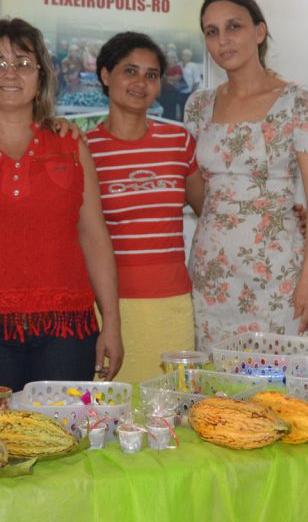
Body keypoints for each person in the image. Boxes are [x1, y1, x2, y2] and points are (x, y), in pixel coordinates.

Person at [0, 18, 123, 396]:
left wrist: (111, 322)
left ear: (41, 76)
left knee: (64, 445)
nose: (10, 74)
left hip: (68, 333)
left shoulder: (71, 145)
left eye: (23, 63)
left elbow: (95, 237)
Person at [184, 0, 308, 351]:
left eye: (233, 26)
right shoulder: (199, 106)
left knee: (279, 384)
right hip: (212, 272)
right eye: (212, 31)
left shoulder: (300, 102)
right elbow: (199, 192)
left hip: (277, 272)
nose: (223, 40)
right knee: (217, 392)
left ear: (259, 32)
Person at [86, 32, 204, 383]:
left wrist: (282, 214)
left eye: (151, 75)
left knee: (171, 412)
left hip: (171, 304)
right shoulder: (84, 148)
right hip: (109, 307)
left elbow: (213, 212)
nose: (141, 83)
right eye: (130, 71)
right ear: (106, 75)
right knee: (107, 417)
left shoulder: (179, 142)